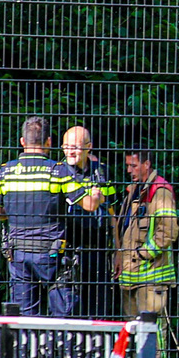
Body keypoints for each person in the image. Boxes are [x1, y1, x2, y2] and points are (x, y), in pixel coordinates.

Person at [0, 116, 103, 317]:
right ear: (48, 141)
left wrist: (16, 213)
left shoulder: (5, 172)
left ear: (22, 141)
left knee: (23, 316)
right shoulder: (58, 170)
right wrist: (97, 196)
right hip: (52, 254)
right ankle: (60, 337)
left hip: (18, 253)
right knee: (63, 316)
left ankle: (26, 339)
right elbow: (89, 205)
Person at [113, 148, 179, 358]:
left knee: (152, 330)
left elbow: (168, 231)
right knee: (133, 329)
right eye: (128, 165)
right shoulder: (136, 190)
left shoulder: (159, 190)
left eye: (133, 165)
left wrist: (142, 254)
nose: (129, 170)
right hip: (131, 276)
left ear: (146, 164)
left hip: (152, 276)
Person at [60, 126, 118, 320]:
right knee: (70, 311)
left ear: (88, 147)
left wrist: (117, 251)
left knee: (99, 310)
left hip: (98, 250)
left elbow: (112, 213)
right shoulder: (58, 172)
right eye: (66, 146)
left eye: (75, 147)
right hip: (68, 252)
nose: (70, 151)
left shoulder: (101, 172)